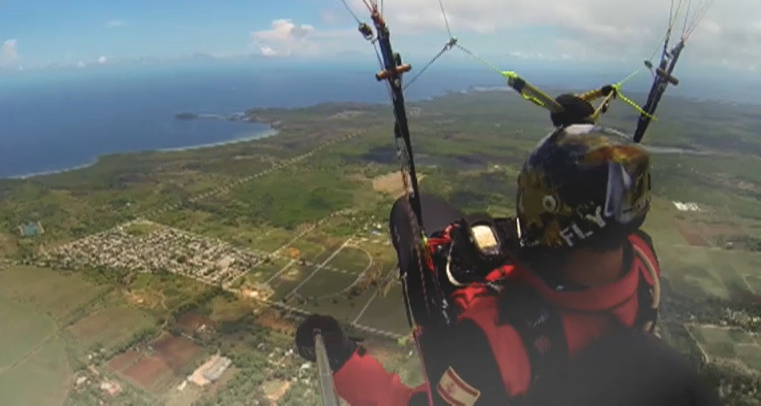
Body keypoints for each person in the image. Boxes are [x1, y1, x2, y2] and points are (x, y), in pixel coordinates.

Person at [295, 104, 717, 405]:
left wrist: (341, 358)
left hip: (497, 362)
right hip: (584, 344)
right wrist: (584, 150)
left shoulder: (495, 345)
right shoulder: (643, 262)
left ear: (566, 224)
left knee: (412, 215)